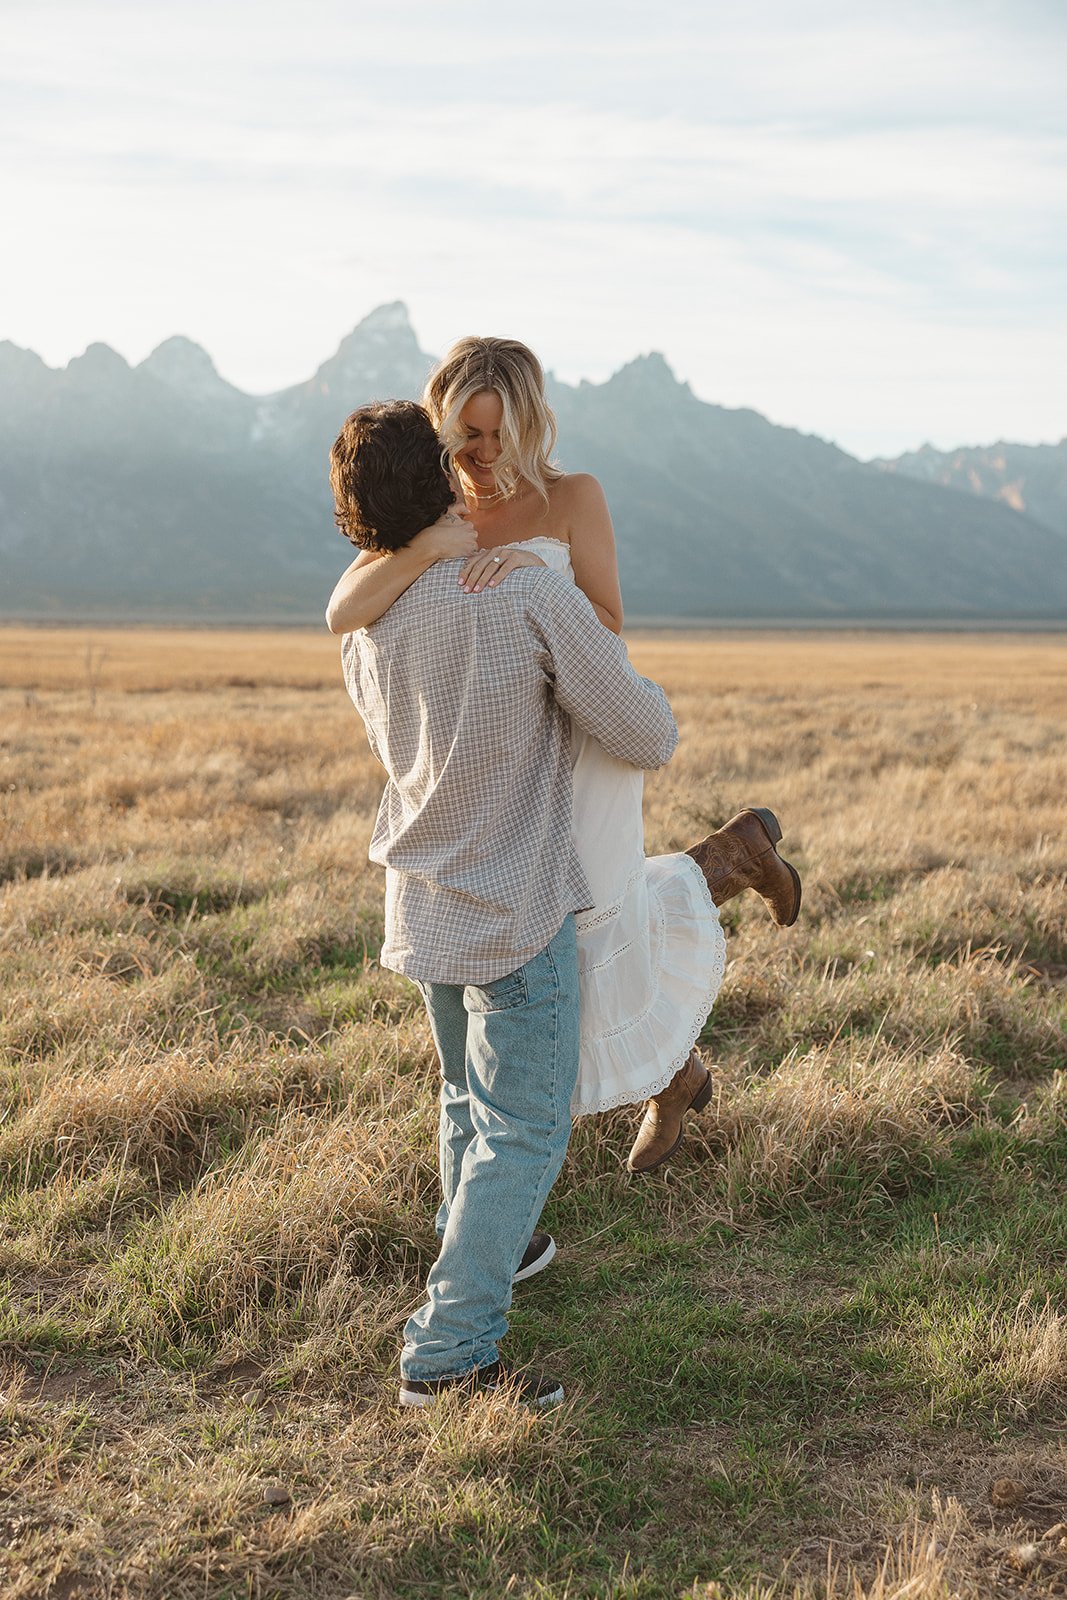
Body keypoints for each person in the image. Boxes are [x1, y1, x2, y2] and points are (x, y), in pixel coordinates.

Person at [326, 337, 801, 1177]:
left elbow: (608, 622)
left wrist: (527, 577)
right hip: (495, 751)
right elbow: (343, 611)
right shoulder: (428, 510)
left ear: (530, 424)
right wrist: (432, 549)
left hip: (575, 734)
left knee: (587, 921)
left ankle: (663, 1077)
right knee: (556, 934)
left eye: (496, 431)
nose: (481, 452)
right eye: (464, 433)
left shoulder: (573, 497)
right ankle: (724, 883)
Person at [329, 399, 681, 1406]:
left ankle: (496, 1249)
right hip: (514, 910)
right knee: (521, 1127)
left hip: (423, 902)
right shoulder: (517, 594)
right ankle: (449, 1353)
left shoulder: (366, 615)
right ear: (442, 485)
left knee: (465, 1104)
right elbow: (644, 733)